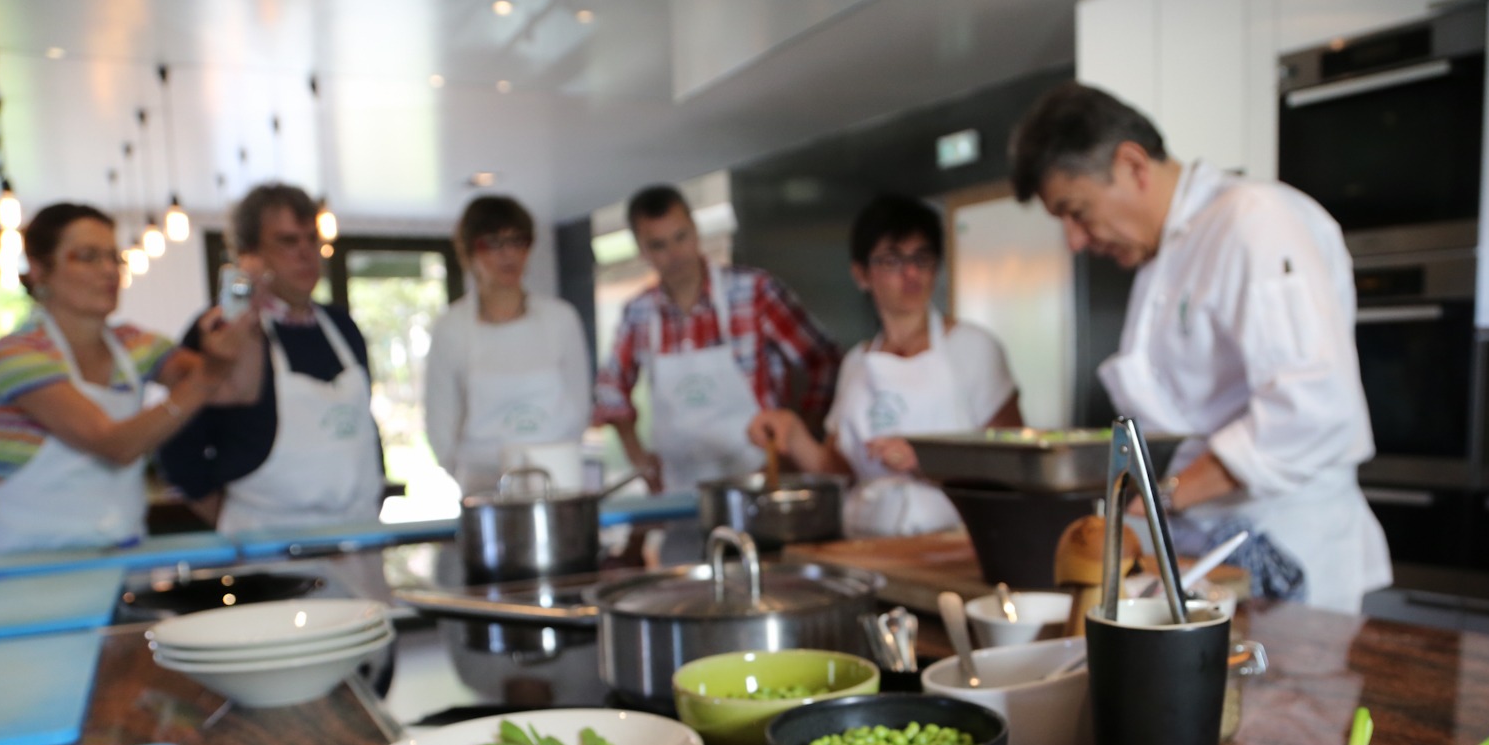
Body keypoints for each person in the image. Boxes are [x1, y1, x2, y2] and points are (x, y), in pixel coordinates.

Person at [1010, 82, 1391, 613]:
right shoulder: (1161, 260)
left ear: (1132, 165)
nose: (1076, 240)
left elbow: (1311, 410)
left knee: (1269, 697)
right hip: (1208, 551)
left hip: (1286, 554)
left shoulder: (1253, 220)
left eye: (1077, 212)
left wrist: (1160, 497)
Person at [0, 203, 254, 554]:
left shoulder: (135, 344)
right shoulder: (16, 353)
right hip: (27, 563)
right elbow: (114, 445)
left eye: (114, 258)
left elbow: (236, 390)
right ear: (38, 270)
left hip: (121, 553)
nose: (109, 270)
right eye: (87, 257)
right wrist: (206, 377)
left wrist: (244, 332)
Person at [747, 195, 1022, 536]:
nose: (910, 273)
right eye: (892, 260)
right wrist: (793, 432)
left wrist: (928, 462)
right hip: (867, 545)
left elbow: (1016, 463)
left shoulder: (973, 347)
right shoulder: (857, 364)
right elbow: (840, 473)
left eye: (921, 258)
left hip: (955, 542)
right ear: (861, 274)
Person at [159, 183, 384, 532]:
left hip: (361, 530)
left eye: (312, 239)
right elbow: (178, 451)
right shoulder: (222, 331)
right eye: (288, 241)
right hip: (266, 540)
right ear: (250, 253)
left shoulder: (342, 326)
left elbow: (361, 426)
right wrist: (233, 521)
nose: (306, 253)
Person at [593, 185, 841, 492]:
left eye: (681, 237)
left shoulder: (755, 291)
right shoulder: (638, 313)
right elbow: (610, 389)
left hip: (760, 479)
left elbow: (824, 359)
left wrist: (799, 437)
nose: (675, 254)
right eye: (658, 245)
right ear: (642, 250)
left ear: (695, 230)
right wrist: (639, 458)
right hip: (680, 490)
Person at [424, 195, 593, 496]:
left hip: (556, 485)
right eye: (493, 243)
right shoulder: (451, 329)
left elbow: (578, 409)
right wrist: (473, 475)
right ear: (468, 252)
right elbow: (440, 425)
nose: (509, 254)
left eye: (518, 241)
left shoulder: (561, 319)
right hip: (483, 489)